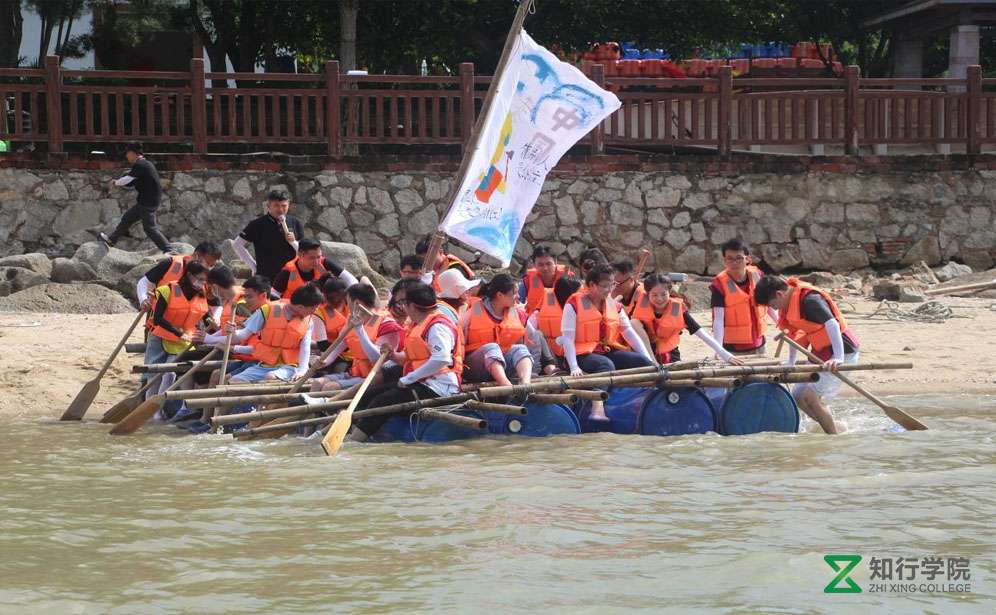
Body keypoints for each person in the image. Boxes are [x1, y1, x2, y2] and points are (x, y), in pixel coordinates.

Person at [350, 282, 464, 441]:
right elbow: (412, 356)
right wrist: (393, 355)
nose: (403, 308)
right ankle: (351, 432)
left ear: (412, 306)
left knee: (382, 401)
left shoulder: (438, 326)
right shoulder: (419, 323)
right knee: (369, 394)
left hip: (439, 386)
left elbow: (441, 358)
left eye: (405, 304)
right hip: (422, 381)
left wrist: (409, 378)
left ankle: (355, 441)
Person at [754, 275, 860, 435]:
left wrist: (838, 357)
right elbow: (793, 334)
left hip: (844, 350)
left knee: (810, 397)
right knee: (798, 395)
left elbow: (832, 323)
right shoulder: (788, 303)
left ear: (779, 294)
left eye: (773, 305)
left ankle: (834, 438)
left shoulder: (810, 300)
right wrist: (791, 362)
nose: (774, 309)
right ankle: (831, 425)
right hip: (821, 351)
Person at [561, 264, 655, 420]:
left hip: (606, 350)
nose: (609, 290)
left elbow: (629, 332)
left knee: (642, 361)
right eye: (605, 286)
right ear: (592, 285)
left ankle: (650, 399)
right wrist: (574, 366)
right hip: (581, 354)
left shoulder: (615, 306)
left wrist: (648, 358)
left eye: (612, 285)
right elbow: (567, 338)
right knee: (606, 365)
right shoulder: (573, 305)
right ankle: (597, 408)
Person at [198, 284, 324, 383]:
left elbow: (305, 347)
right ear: (301, 307)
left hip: (290, 366)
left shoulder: (308, 321)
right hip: (265, 364)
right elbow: (242, 335)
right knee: (234, 381)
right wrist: (215, 337)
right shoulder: (267, 310)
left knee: (270, 377)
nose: (315, 311)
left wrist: (302, 370)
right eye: (313, 308)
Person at [630, 274, 743, 366]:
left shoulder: (678, 310)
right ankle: (652, 363)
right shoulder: (641, 308)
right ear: (647, 294)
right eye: (654, 295)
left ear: (669, 292)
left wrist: (725, 354)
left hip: (669, 353)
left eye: (663, 294)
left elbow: (702, 334)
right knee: (633, 322)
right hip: (646, 353)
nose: (659, 299)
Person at [312, 283, 404, 392]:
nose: (347, 306)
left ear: (356, 303)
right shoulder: (351, 320)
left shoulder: (387, 324)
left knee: (330, 387)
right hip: (355, 372)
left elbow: (377, 358)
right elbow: (339, 345)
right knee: (317, 382)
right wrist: (324, 361)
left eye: (348, 302)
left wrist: (360, 331)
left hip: (374, 377)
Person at [143, 261, 210, 389]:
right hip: (161, 337)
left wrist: (213, 325)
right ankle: (150, 400)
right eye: (200, 279)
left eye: (204, 280)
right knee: (153, 376)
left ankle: (163, 400)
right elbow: (157, 319)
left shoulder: (202, 293)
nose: (202, 283)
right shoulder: (167, 290)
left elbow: (206, 316)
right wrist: (178, 333)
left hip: (185, 340)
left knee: (170, 373)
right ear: (189, 275)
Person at [460, 274, 536, 386]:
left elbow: (534, 337)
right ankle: (506, 386)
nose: (518, 296)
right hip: (475, 369)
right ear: (500, 295)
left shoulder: (516, 313)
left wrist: (537, 368)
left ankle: (525, 384)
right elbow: (458, 339)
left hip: (504, 366)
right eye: (514, 293)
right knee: (492, 347)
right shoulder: (474, 311)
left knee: (520, 349)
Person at [711, 239, 778, 356]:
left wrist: (780, 323)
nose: (734, 262)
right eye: (730, 258)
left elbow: (767, 303)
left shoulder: (757, 276)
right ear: (724, 261)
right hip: (732, 349)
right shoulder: (719, 285)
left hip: (759, 344)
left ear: (748, 259)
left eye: (739, 258)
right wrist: (719, 350)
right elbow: (718, 319)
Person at [100, 142, 170, 252]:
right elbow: (132, 181)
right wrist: (121, 181)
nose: (126, 156)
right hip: (146, 201)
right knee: (127, 218)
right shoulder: (145, 164)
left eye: (127, 153)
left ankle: (169, 249)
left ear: (133, 153)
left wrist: (115, 182)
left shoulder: (141, 165)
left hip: (147, 202)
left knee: (150, 228)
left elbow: (128, 179)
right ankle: (112, 240)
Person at [231, 189, 306, 282]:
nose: (280, 209)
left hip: (291, 275)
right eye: (276, 205)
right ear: (268, 206)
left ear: (288, 205)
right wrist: (253, 266)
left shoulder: (295, 222)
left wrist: (293, 242)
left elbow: (304, 251)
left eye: (284, 206)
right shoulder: (257, 224)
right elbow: (237, 244)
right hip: (266, 277)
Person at [135, 241, 222, 309]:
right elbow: (144, 282)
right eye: (208, 264)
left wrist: (216, 318)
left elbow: (216, 303)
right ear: (196, 256)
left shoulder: (207, 278)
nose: (209, 269)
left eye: (212, 266)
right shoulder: (171, 263)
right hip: (158, 318)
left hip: (186, 323)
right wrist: (143, 299)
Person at [529, 275, 582, 374]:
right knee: (537, 334)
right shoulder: (539, 313)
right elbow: (529, 331)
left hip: (577, 356)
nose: (582, 296)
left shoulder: (585, 310)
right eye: (579, 292)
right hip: (553, 357)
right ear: (569, 294)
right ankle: (551, 370)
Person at [272, 238, 357, 299]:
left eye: (318, 257)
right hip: (296, 312)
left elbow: (352, 280)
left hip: (320, 312)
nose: (316, 262)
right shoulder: (288, 271)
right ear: (300, 255)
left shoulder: (325, 263)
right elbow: (274, 295)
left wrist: (350, 298)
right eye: (312, 258)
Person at [518, 245, 573, 314]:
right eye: (540, 264)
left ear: (555, 262)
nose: (545, 268)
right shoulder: (527, 281)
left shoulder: (568, 279)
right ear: (534, 265)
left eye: (548, 264)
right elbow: (517, 304)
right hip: (534, 319)